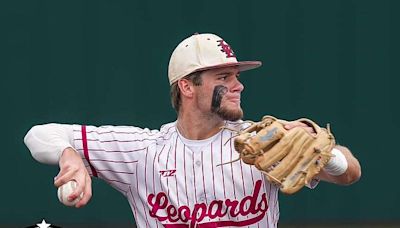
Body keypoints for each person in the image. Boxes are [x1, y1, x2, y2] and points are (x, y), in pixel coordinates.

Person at [24, 33, 361, 227]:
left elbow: (350, 174)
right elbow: (38, 135)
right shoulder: (144, 151)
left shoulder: (262, 144)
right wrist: (69, 154)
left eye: (237, 76)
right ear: (187, 87)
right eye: (224, 77)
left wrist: (326, 155)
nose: (238, 85)